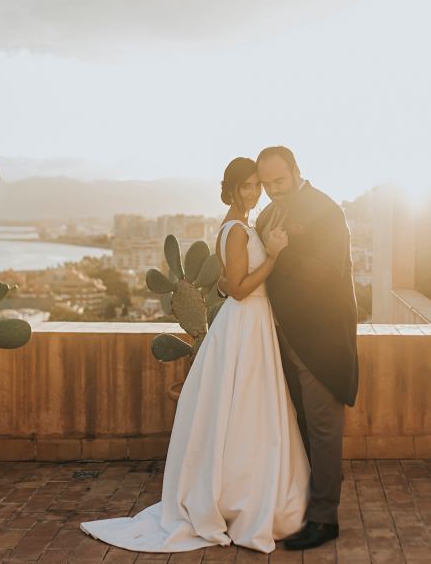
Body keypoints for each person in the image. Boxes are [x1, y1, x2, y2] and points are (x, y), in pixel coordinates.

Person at [80, 157, 309, 554]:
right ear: (232, 189)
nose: (254, 192)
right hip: (246, 322)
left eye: (257, 185)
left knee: (247, 409)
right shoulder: (236, 229)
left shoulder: (238, 225)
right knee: (246, 405)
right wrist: (273, 256)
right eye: (247, 186)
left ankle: (245, 489)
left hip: (251, 323)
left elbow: (225, 281)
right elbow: (240, 289)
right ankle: (239, 497)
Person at [236, 145, 359, 551]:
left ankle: (325, 520)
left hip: (320, 339)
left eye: (280, 180)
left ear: (296, 170)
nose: (273, 189)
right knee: (299, 426)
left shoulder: (326, 211)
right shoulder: (267, 215)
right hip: (279, 337)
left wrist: (277, 257)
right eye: (267, 183)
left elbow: (324, 272)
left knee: (323, 428)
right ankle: (301, 504)